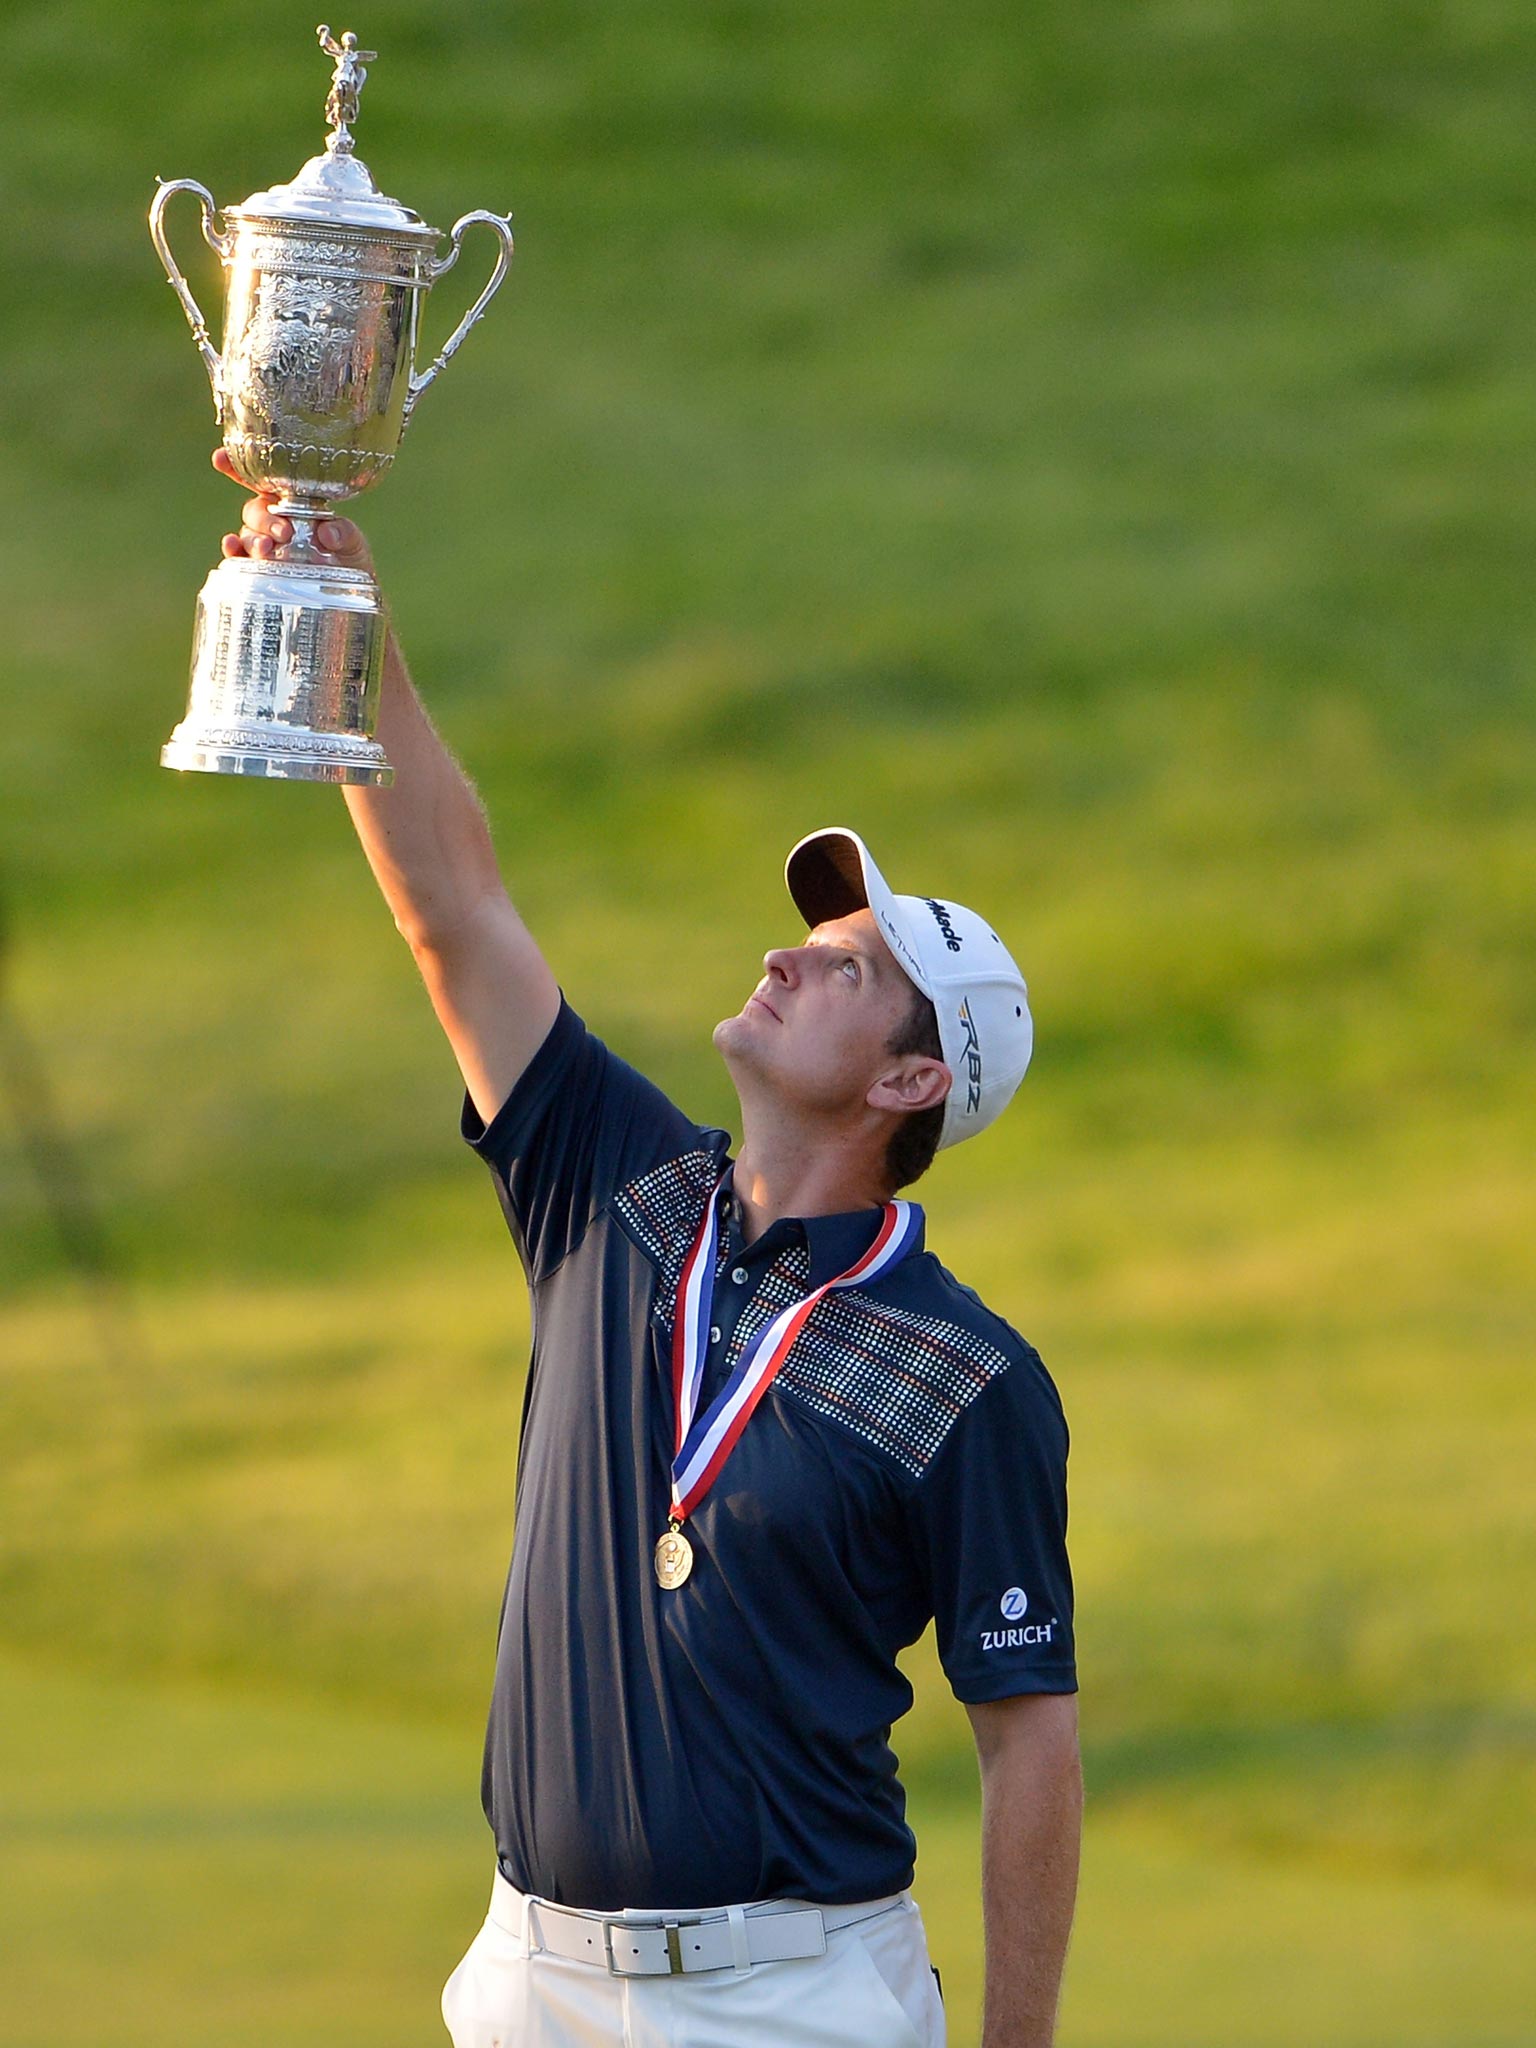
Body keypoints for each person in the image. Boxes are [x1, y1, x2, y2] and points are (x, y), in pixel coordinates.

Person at [215, 453, 1083, 2048]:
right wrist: (343, 599)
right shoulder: (621, 1188)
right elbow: (451, 903)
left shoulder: (968, 1377)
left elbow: (1030, 1744)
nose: (781, 956)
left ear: (911, 1083)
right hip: (527, 1982)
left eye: (840, 969)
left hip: (790, 2001)